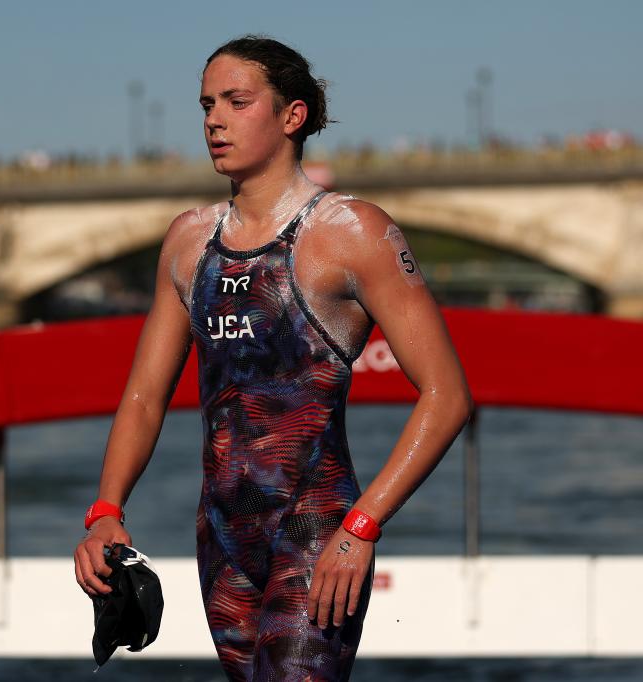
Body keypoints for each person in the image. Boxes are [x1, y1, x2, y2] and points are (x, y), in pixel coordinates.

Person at [74, 34, 473, 681]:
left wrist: (362, 525)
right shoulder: (187, 241)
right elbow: (145, 397)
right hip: (223, 537)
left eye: (236, 101)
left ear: (292, 116)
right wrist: (106, 512)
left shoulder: (352, 232)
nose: (214, 119)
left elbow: (447, 394)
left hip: (317, 532)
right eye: (206, 104)